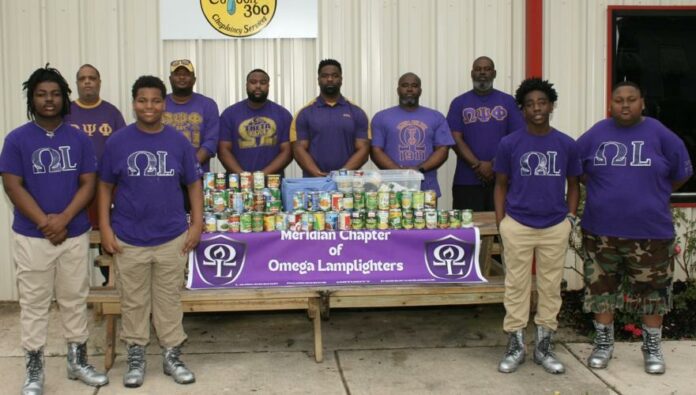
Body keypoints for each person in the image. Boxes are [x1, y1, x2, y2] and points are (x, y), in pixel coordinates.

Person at [0, 65, 108, 394]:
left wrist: (63, 219)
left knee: (75, 299)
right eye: (42, 95)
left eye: (55, 94)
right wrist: (44, 222)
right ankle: (34, 368)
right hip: (33, 236)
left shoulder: (78, 138)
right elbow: (11, 184)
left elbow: (88, 183)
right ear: (32, 99)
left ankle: (77, 361)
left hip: (73, 233)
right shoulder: (17, 138)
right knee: (34, 303)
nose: (49, 100)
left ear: (65, 99)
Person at [578, 81, 693, 375]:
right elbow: (577, 170)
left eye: (631, 100)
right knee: (601, 291)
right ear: (610, 104)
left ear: (642, 102)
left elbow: (680, 175)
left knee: (652, 293)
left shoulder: (661, 134)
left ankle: (651, 347)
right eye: (619, 100)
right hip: (601, 232)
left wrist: (653, 192)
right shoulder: (596, 134)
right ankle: (603, 344)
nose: (625, 105)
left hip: (650, 232)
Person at [98, 76, 203, 388]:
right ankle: (136, 355)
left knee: (169, 299)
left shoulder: (178, 141)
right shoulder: (118, 142)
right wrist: (105, 227)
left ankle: (172, 354)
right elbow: (105, 187)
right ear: (134, 104)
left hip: (171, 236)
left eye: (156, 100)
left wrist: (196, 224)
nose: (149, 106)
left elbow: (193, 184)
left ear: (164, 104)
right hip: (129, 237)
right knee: (133, 301)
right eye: (143, 100)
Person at [494, 78, 581, 375]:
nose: (536, 108)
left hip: (554, 225)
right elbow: (500, 185)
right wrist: (502, 222)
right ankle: (516, 345)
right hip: (518, 223)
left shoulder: (566, 143)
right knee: (515, 286)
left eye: (542, 102)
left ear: (551, 106)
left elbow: (574, 184)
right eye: (530, 104)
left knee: (550, 287)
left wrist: (569, 218)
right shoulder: (510, 143)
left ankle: (544, 348)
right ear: (522, 109)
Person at [65, 63, 127, 285]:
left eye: (92, 78)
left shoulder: (111, 112)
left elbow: (124, 147)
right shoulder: (66, 113)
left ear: (99, 82)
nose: (87, 82)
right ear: (77, 84)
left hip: (106, 185)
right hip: (76, 186)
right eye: (82, 78)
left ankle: (111, 281)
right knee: (76, 237)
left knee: (108, 232)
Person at [447, 56, 525, 211]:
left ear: (494, 73)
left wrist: (495, 165)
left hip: (502, 179)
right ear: (472, 73)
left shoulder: (508, 101)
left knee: (503, 229)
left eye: (487, 69)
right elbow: (454, 138)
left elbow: (518, 137)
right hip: (466, 181)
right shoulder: (459, 102)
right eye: (478, 69)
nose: (482, 72)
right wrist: (477, 165)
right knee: (467, 230)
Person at [370, 72, 454, 197]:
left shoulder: (436, 117)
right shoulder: (381, 117)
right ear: (398, 90)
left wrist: (418, 170)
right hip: (392, 189)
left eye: (414, 86)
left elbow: (442, 149)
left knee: (428, 217)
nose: (409, 89)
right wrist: (399, 173)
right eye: (405, 85)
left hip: (426, 187)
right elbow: (375, 151)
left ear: (420, 90)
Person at [291, 58, 370, 177]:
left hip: (348, 184)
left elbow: (363, 150)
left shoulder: (357, 112)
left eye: (335, 75)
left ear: (341, 80)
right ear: (318, 80)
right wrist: (317, 174)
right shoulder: (304, 113)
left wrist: (341, 175)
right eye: (325, 76)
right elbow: (298, 150)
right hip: (314, 184)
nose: (330, 79)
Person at [218, 68, 293, 174]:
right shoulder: (229, 114)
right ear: (246, 85)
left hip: (273, 185)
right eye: (253, 82)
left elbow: (287, 152)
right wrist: (244, 177)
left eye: (263, 82)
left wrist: (261, 176)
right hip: (237, 184)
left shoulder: (283, 114)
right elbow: (223, 150)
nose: (258, 86)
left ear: (268, 86)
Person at [163, 59, 219, 172]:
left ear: (194, 79)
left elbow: (211, 142)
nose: (182, 77)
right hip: (164, 173)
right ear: (170, 79)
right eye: (177, 74)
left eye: (186, 74)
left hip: (197, 175)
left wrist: (190, 166)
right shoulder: (159, 103)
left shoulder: (208, 105)